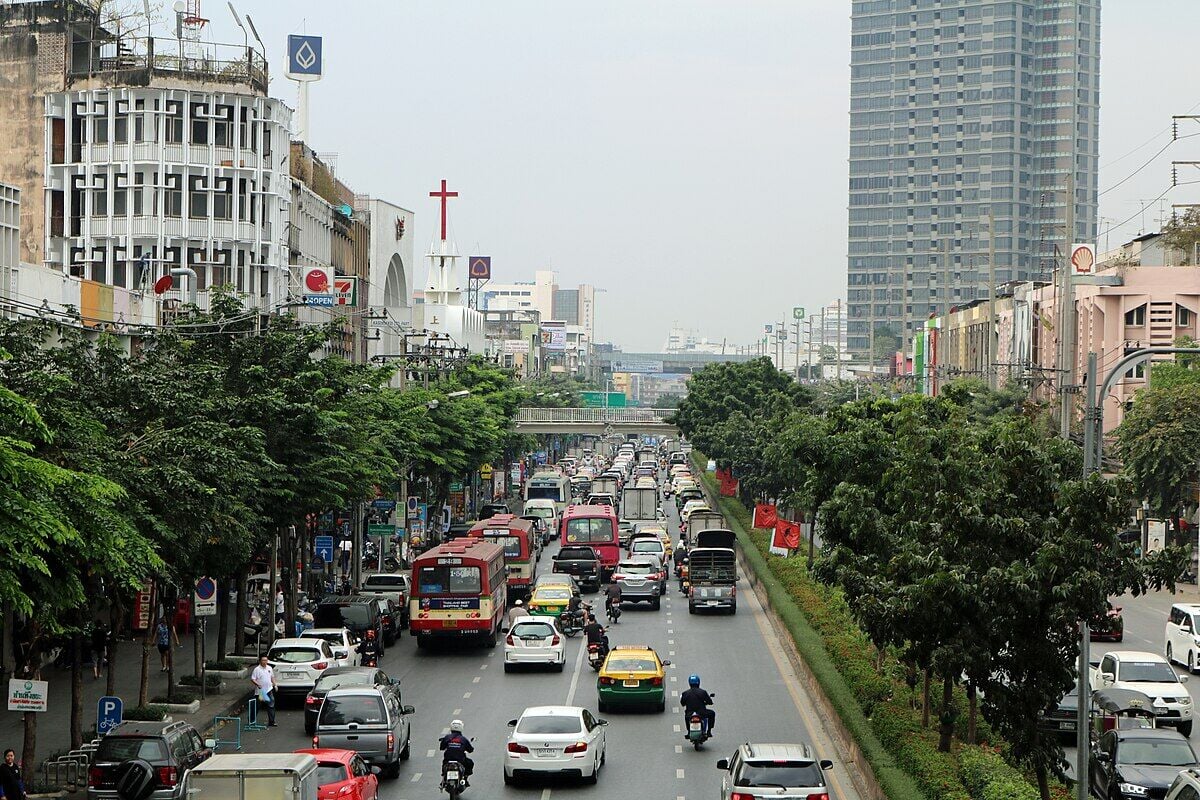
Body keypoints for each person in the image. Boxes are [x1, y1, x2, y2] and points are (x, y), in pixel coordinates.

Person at [439, 719, 474, 786]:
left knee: (444, 764)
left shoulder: (447, 737)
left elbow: (442, 748)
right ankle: (465, 779)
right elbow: (470, 750)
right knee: (470, 763)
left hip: (448, 759)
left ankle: (443, 778)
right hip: (460, 760)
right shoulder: (463, 739)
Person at [250, 654, 277, 727]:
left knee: (271, 705)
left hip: (269, 689)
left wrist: (275, 684)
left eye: (266, 660)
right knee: (257, 706)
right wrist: (257, 684)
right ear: (260, 661)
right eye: (263, 660)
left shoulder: (269, 668)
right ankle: (252, 720)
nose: (265, 662)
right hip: (261, 692)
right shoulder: (257, 669)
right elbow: (253, 679)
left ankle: (272, 721)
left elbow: (272, 677)